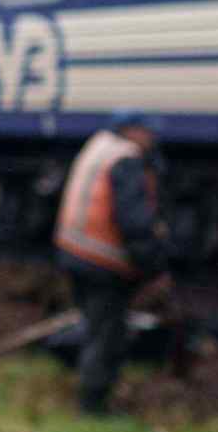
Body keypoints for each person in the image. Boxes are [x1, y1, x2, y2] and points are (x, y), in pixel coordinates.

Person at [53, 111, 175, 415]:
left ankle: (90, 392)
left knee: (96, 329)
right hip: (101, 262)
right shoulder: (126, 159)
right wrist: (155, 268)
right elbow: (135, 222)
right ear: (132, 131)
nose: (152, 138)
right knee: (106, 336)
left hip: (76, 253)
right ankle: (92, 407)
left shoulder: (99, 146)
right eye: (147, 132)